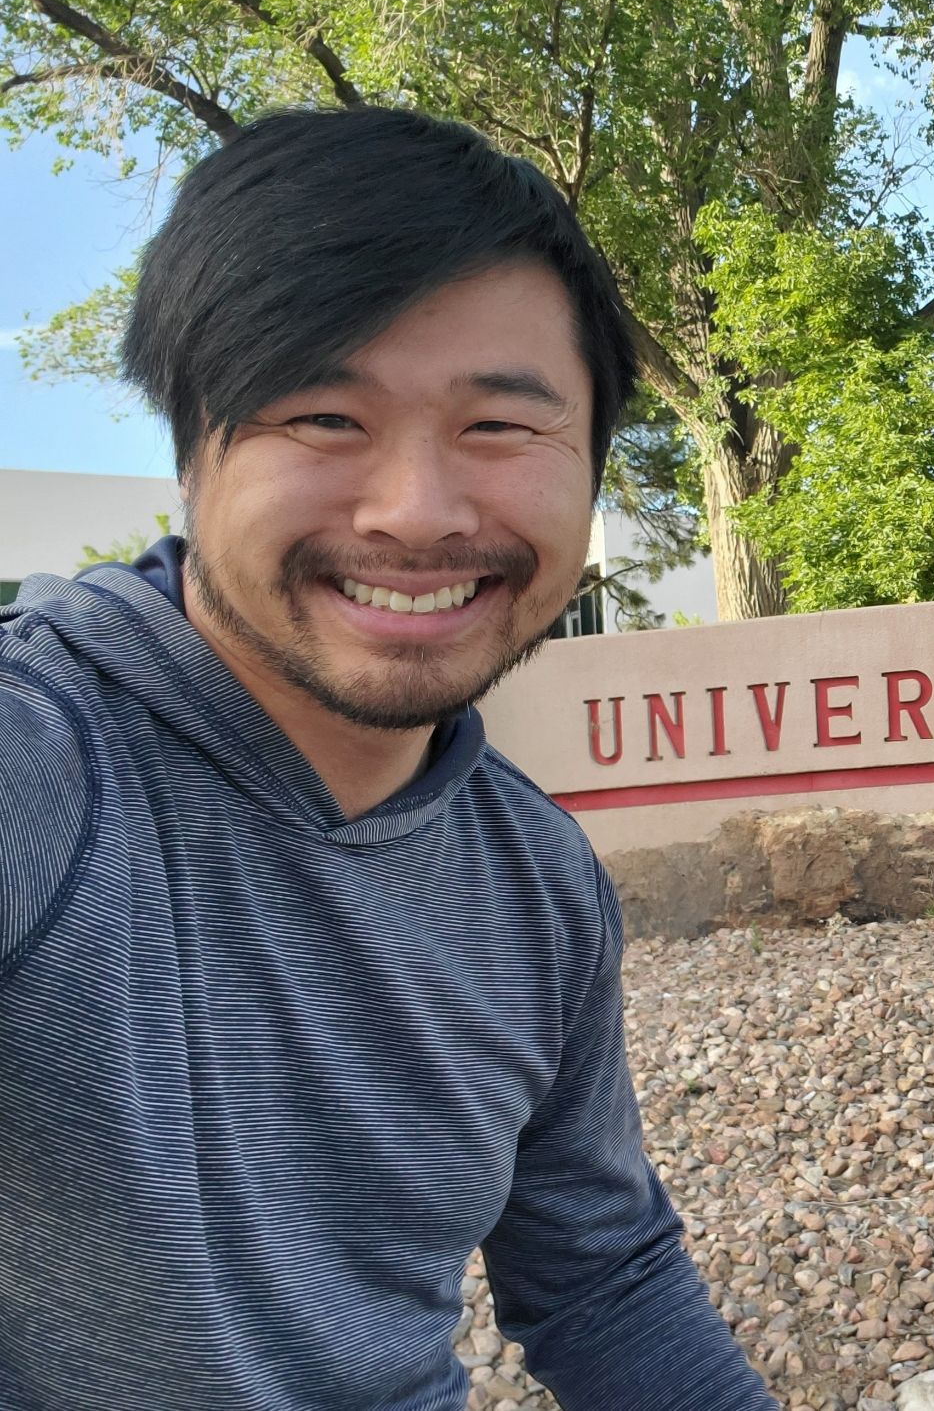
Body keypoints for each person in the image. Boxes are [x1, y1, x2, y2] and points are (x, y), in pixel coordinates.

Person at [0, 107, 776, 1411]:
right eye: (322, 415)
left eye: (500, 427)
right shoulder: (43, 760)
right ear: (197, 450)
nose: (415, 511)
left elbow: (602, 1276)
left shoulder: (536, 879)